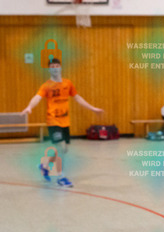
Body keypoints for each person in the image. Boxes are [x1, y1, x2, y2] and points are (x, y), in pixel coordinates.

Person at [21, 58, 103, 187]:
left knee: (63, 150)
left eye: (57, 66)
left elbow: (77, 98)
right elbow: (37, 97)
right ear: (49, 69)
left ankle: (44, 165)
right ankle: (61, 177)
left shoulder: (67, 83)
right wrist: (29, 107)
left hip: (65, 121)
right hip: (53, 120)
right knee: (61, 147)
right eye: (52, 66)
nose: (55, 68)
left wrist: (92, 108)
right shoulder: (46, 86)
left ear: (60, 67)